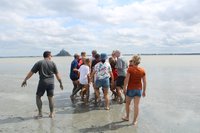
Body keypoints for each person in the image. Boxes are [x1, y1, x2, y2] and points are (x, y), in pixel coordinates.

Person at [21, 51, 63, 118]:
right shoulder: (53, 63)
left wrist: (25, 80)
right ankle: (51, 114)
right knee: (50, 98)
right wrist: (60, 83)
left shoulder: (39, 63)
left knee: (38, 97)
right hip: (51, 83)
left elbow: (31, 72)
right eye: (51, 55)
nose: (51, 56)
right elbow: (57, 75)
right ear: (48, 56)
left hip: (42, 82)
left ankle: (40, 113)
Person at [122, 55, 146, 125]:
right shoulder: (142, 70)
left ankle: (127, 117)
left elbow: (126, 79)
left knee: (127, 104)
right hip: (139, 90)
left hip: (130, 89)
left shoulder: (130, 69)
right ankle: (135, 121)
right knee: (136, 106)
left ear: (133, 61)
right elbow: (144, 82)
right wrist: (144, 91)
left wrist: (124, 88)